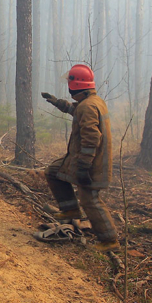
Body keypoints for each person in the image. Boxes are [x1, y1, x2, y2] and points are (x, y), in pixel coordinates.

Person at [40, 64, 119, 252]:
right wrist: (58, 102)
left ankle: (109, 240)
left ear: (76, 87)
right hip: (82, 159)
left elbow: (92, 138)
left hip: (92, 163)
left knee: (90, 199)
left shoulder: (88, 106)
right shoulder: (92, 102)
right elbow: (76, 111)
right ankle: (70, 209)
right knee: (53, 171)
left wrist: (83, 167)